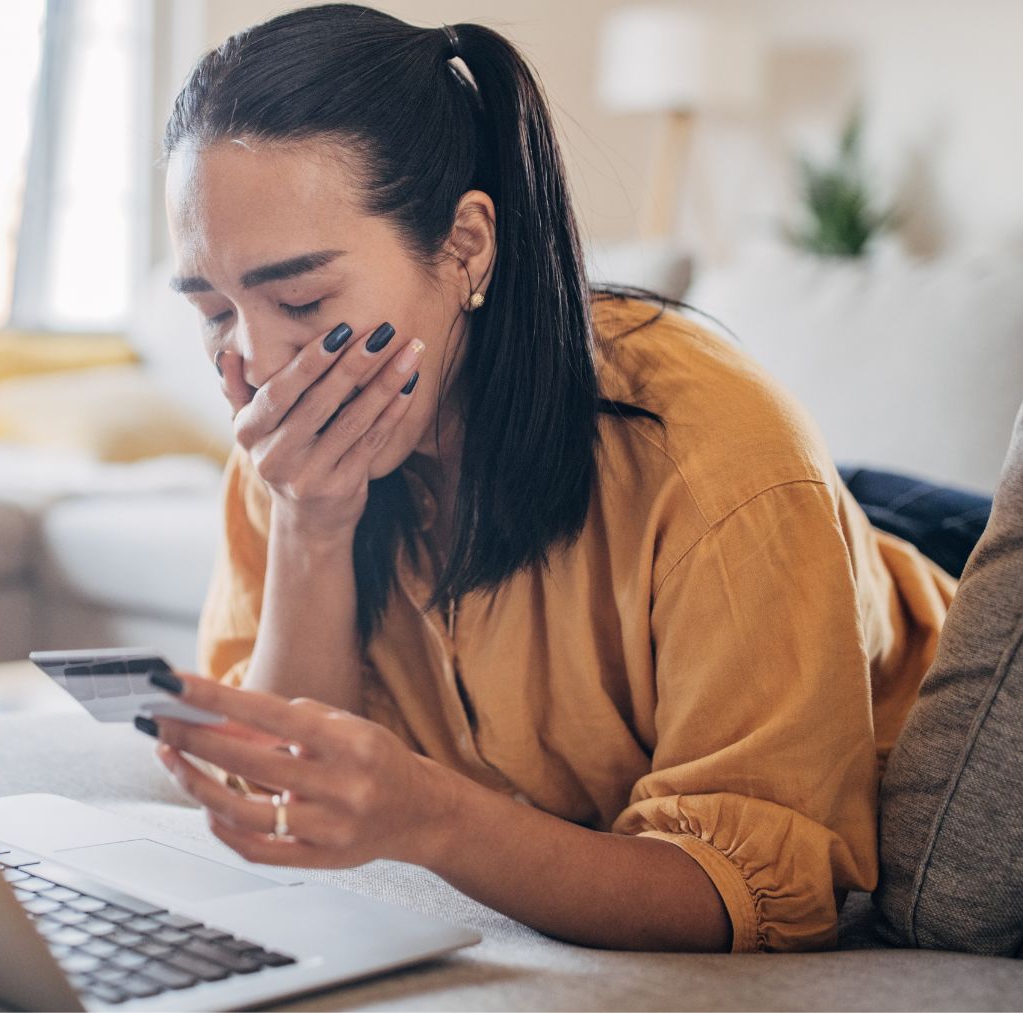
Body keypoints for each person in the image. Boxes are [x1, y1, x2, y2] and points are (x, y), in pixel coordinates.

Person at [135, 3, 958, 954]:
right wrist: (311, 526)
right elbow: (277, 790)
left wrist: (435, 816)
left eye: (302, 299)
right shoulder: (287, 441)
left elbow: (759, 898)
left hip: (905, 587)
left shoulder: (718, 455)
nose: (253, 360)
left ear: (466, 248)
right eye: (210, 310)